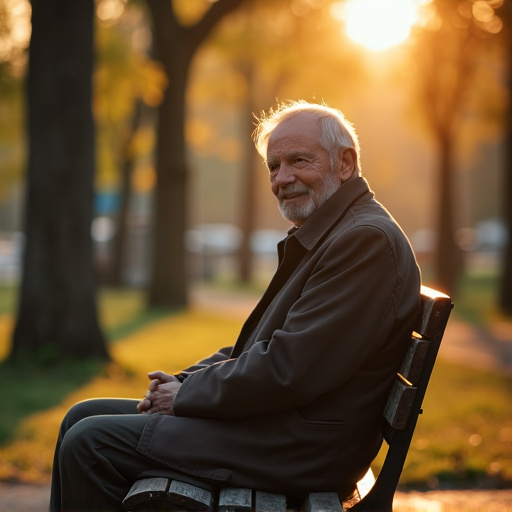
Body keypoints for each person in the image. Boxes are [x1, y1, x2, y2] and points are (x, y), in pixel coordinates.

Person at [50, 100, 421, 511]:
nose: (283, 178)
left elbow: (289, 368)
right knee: (80, 417)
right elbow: (256, 350)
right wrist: (182, 382)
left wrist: (185, 397)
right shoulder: (334, 233)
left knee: (90, 444)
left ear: (345, 163)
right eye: (274, 167)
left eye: (299, 161)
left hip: (302, 447)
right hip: (282, 427)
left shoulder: (363, 241)